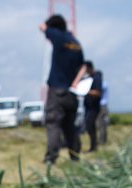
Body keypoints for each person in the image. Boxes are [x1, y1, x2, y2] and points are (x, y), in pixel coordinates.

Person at [39, 14, 84, 165]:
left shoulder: (58, 37)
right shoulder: (76, 43)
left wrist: (47, 27)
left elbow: (43, 27)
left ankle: (51, 158)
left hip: (57, 91)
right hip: (71, 93)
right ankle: (75, 156)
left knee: (53, 124)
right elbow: (82, 66)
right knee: (70, 126)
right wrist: (76, 83)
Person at [82, 61, 103, 152]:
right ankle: (93, 146)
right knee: (89, 126)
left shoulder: (96, 78)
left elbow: (98, 92)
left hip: (94, 108)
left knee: (90, 126)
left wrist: (86, 91)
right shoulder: (88, 78)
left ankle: (93, 147)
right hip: (88, 107)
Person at [97, 76, 109, 145]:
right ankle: (103, 140)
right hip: (104, 106)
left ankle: (102, 141)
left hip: (102, 106)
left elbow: (98, 92)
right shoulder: (105, 83)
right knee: (103, 124)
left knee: (101, 124)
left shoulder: (102, 84)